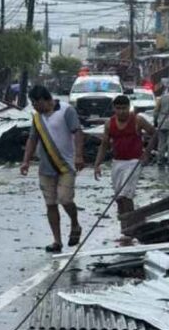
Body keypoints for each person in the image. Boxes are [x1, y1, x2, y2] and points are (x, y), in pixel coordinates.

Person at [21, 85, 85, 253]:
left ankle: (75, 224)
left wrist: (79, 155)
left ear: (44, 100)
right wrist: (26, 161)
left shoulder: (66, 110)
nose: (34, 106)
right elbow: (32, 139)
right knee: (50, 204)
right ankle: (57, 241)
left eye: (35, 103)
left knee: (65, 199)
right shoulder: (37, 118)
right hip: (45, 167)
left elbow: (77, 132)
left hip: (66, 165)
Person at [94, 94, 157, 221]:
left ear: (129, 107)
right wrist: (97, 164)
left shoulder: (138, 120)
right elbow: (104, 145)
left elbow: (155, 134)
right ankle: (123, 223)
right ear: (114, 109)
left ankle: (131, 224)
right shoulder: (109, 124)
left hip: (134, 162)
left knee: (126, 196)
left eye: (124, 108)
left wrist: (147, 153)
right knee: (119, 198)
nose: (121, 111)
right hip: (117, 162)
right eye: (118, 108)